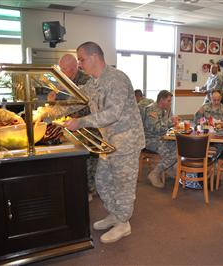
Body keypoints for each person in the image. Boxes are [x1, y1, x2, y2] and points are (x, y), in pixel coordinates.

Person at [34, 41, 145, 244]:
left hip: (127, 141)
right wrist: (45, 114)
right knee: (102, 181)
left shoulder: (117, 79)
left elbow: (112, 113)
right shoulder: (93, 83)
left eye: (82, 59)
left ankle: (123, 223)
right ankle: (115, 214)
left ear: (94, 57)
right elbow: (74, 102)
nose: (80, 64)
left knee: (123, 184)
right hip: (108, 141)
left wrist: (81, 122)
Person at [50, 54, 99, 201]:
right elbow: (64, 99)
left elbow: (86, 106)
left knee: (88, 159)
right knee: (75, 159)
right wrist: (55, 96)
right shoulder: (66, 80)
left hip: (89, 125)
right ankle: (80, 186)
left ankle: (89, 190)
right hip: (73, 124)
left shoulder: (86, 80)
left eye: (63, 69)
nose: (61, 71)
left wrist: (57, 110)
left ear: (72, 69)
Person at [143, 90, 178, 188]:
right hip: (149, 140)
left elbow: (163, 128)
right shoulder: (152, 110)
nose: (170, 103)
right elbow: (155, 129)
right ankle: (155, 173)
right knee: (174, 152)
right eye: (168, 101)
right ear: (161, 100)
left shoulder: (162, 110)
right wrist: (170, 121)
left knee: (178, 147)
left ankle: (168, 168)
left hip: (159, 138)